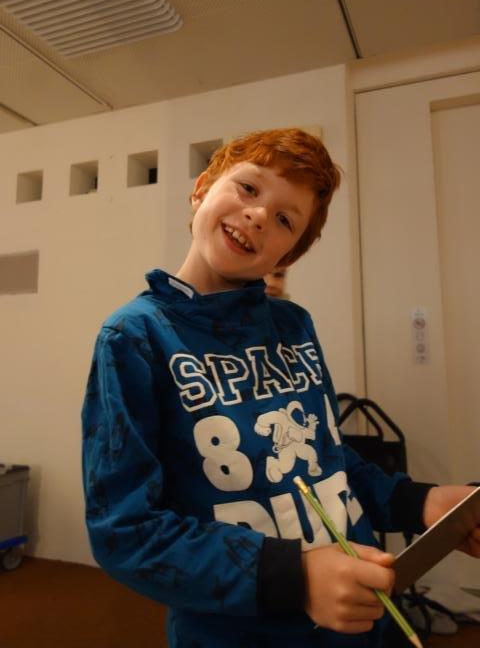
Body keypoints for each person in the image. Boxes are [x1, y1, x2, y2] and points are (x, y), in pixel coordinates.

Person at [82, 128, 480, 648]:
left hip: (360, 623)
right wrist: (296, 577)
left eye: (285, 220)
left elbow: (329, 461)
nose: (258, 215)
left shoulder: (294, 325)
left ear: (286, 257)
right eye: (248, 188)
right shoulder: (134, 337)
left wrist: (421, 502)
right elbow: (126, 531)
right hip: (238, 635)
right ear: (201, 189)